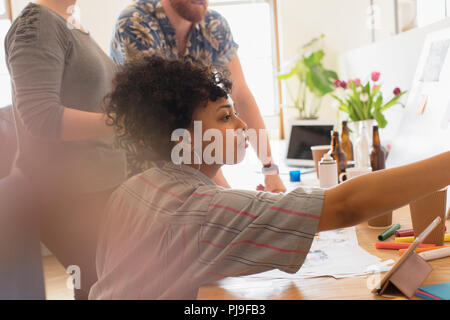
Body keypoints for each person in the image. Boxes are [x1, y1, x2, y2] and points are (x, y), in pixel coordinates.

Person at [89, 56, 450, 299]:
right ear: (183, 136)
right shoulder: (203, 208)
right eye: (226, 117)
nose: (245, 126)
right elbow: (345, 205)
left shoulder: (131, 189)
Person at [4, 0, 127, 299]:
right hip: (69, 196)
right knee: (102, 287)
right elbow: (40, 117)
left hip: (101, 189)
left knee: (107, 286)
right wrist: (124, 124)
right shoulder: (37, 25)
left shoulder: (69, 22)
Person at [111, 0, 286, 193]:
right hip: (144, 168)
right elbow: (167, 118)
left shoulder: (213, 25)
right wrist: (226, 193)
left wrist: (270, 169)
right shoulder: (135, 23)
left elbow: (241, 96)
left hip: (195, 163)